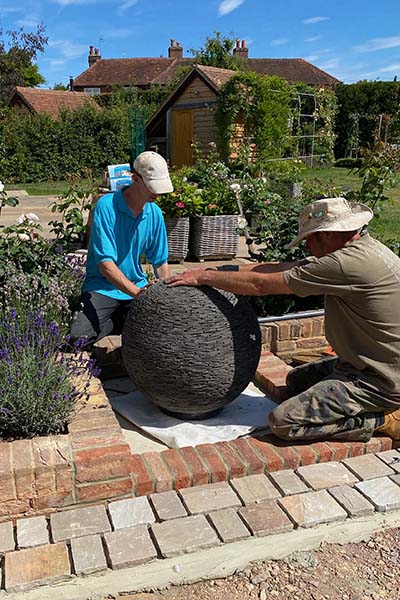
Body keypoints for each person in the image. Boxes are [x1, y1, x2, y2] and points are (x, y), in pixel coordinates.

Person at [167, 197, 400, 444]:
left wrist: (205, 279)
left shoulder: (346, 264)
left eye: (310, 237)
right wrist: (217, 272)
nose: (307, 245)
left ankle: (385, 420)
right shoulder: (361, 250)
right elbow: (278, 268)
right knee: (296, 380)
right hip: (367, 364)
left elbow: (261, 285)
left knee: (284, 422)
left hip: (380, 381)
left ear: (329, 234)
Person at [70, 151, 173, 347]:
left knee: (162, 333)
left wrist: (167, 295)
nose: (157, 193)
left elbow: (160, 262)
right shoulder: (106, 207)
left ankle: (120, 320)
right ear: (135, 178)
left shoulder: (155, 214)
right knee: (77, 339)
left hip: (137, 287)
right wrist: (138, 294)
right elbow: (105, 265)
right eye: (152, 186)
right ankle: (118, 321)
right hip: (102, 287)